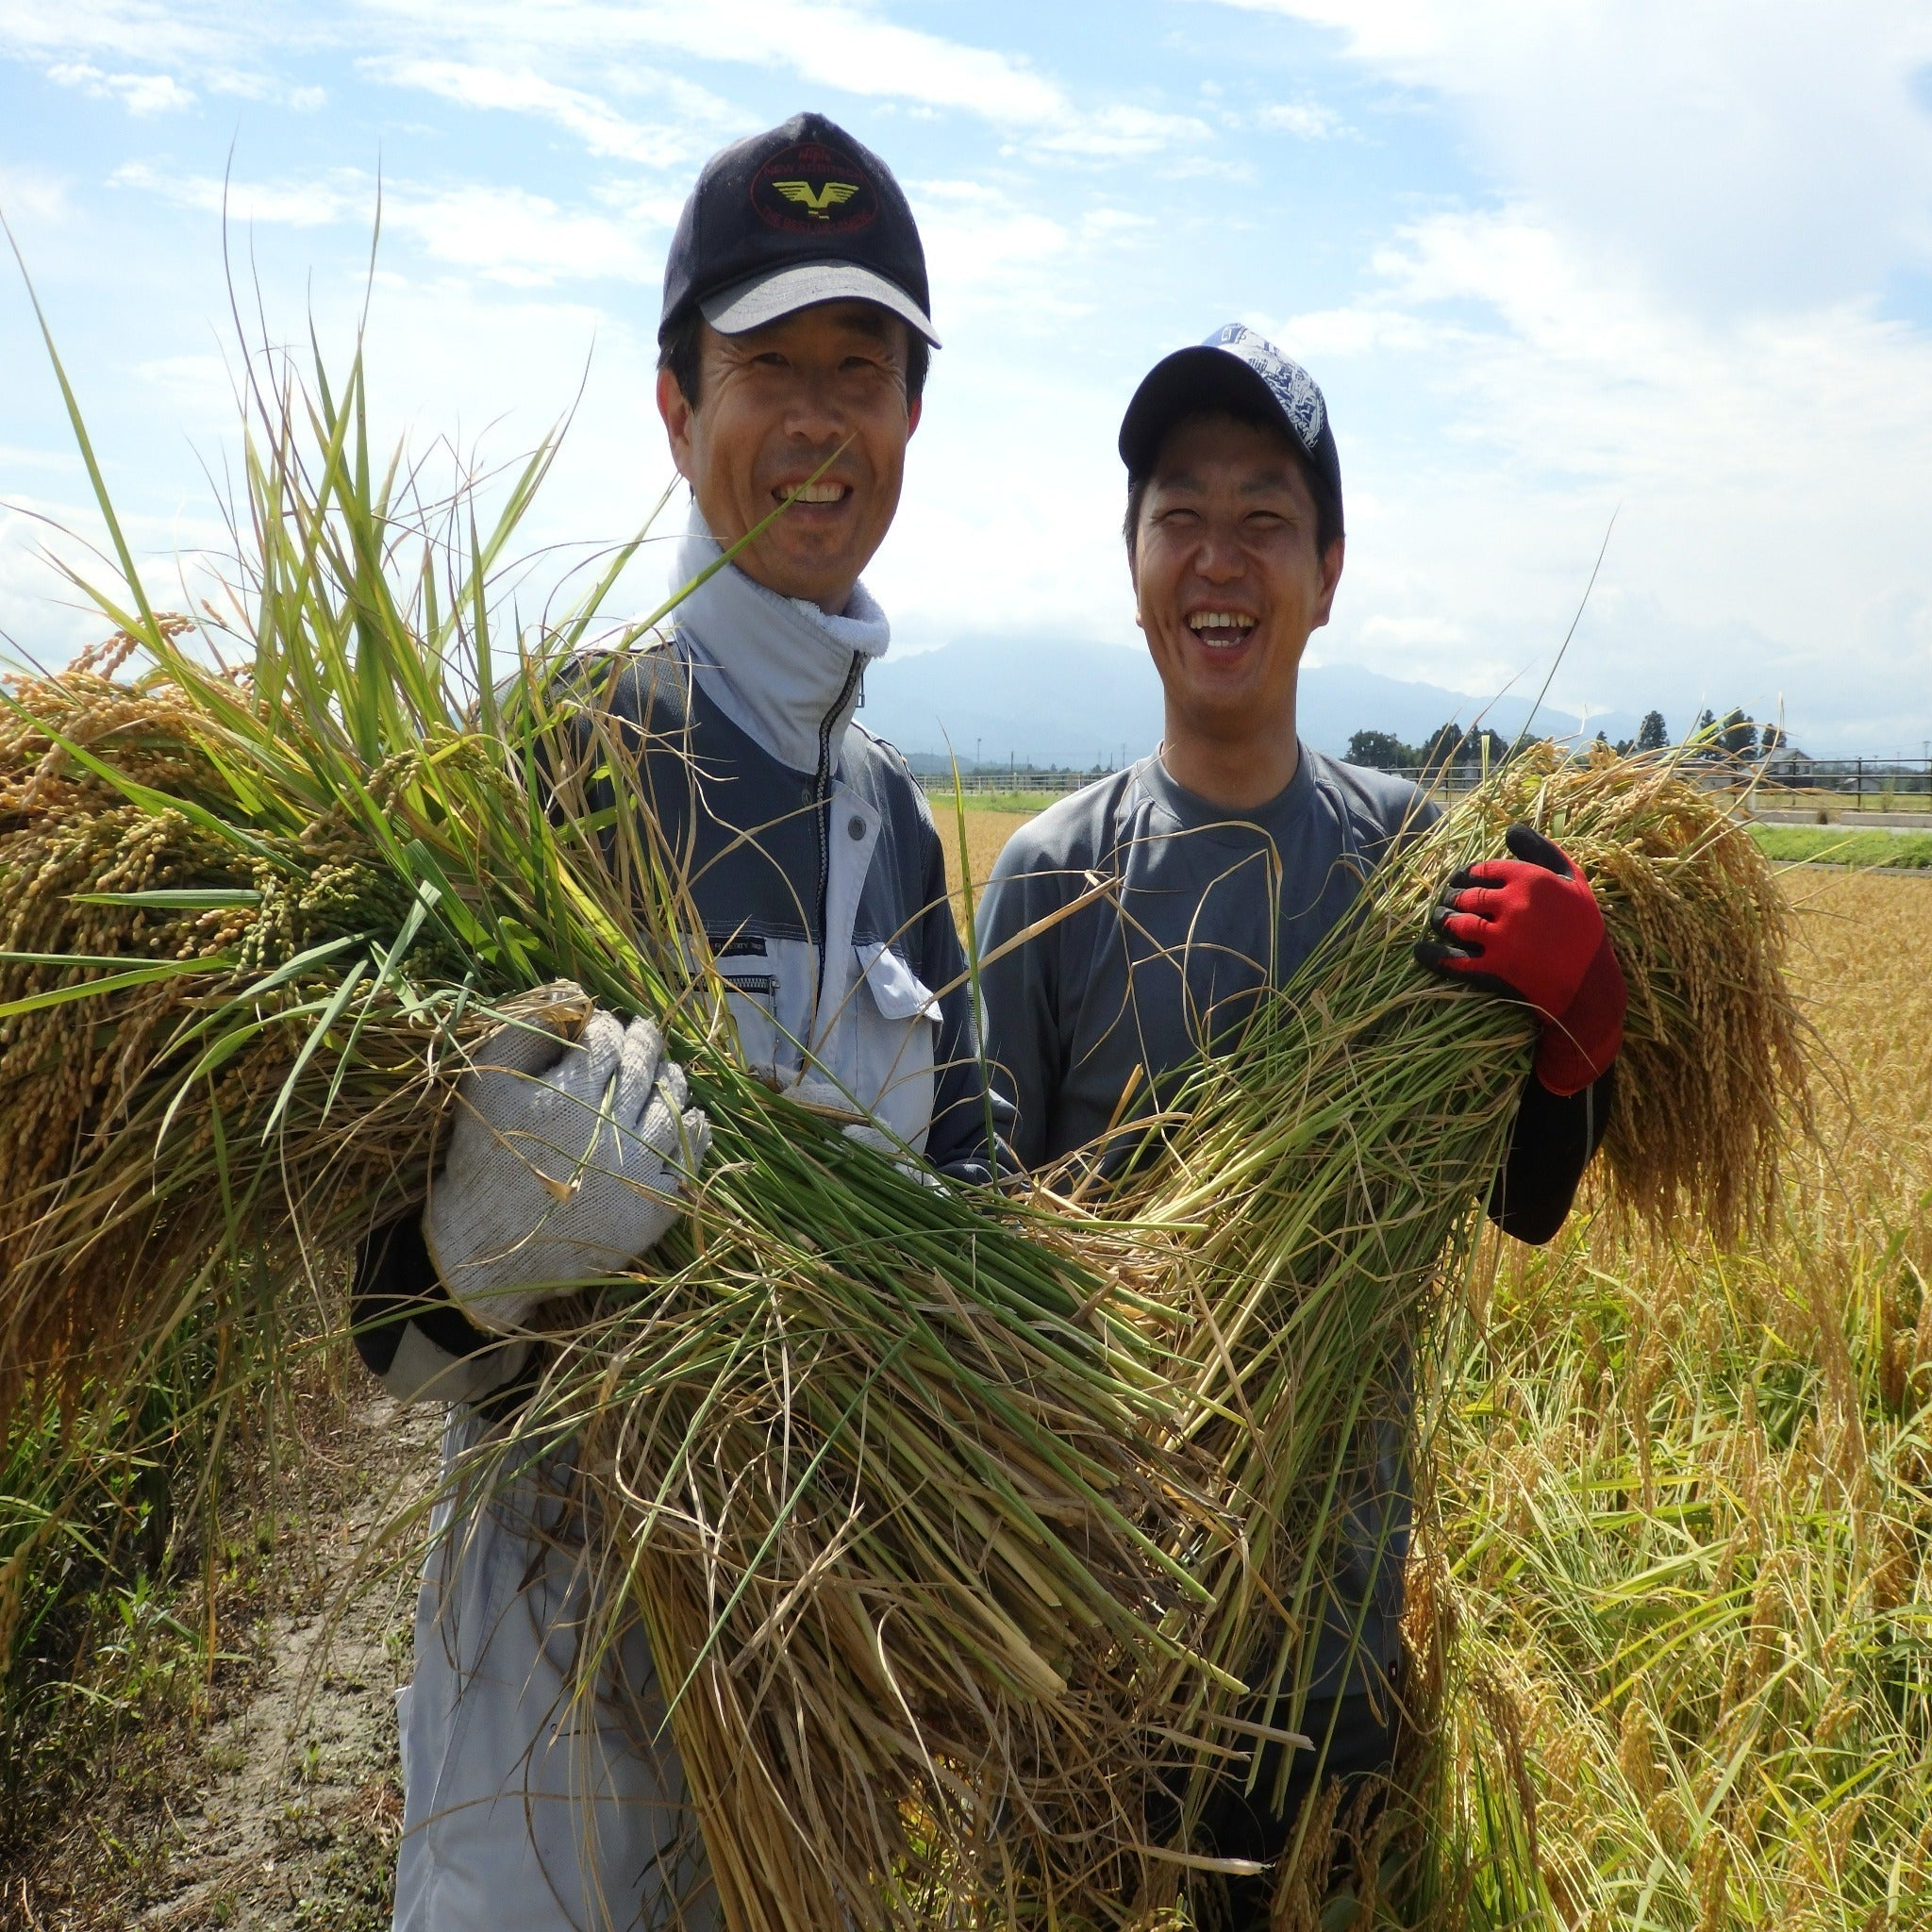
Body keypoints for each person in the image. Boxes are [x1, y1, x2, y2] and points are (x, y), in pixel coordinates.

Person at [351, 112, 998, 1932]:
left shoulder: (898, 826)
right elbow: (368, 1329)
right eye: (766, 368)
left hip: (816, 1721)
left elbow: (963, 1220)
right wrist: (478, 1252)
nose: (817, 421)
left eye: (857, 371)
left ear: (909, 417)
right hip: (550, 1723)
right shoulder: (552, 768)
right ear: (672, 405)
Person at [973, 324, 1626, 1924]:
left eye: (1266, 516)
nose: (1220, 557)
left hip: (1332, 1645)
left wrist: (1576, 1033)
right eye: (1178, 511)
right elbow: (973, 1247)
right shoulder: (1050, 880)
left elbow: (1528, 1202)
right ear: (1131, 564)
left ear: (1328, 574)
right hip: (1088, 1633)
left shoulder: (1418, 868)